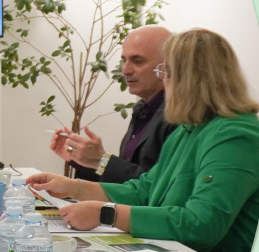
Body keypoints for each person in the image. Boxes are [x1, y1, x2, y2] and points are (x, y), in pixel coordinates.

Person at [32, 29, 259, 252]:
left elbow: (201, 225)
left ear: (188, 78)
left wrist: (106, 214)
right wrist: (74, 187)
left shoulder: (236, 135)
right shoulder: (189, 129)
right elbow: (145, 190)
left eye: (165, 72)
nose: (164, 81)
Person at [42, 25, 177, 183]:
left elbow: (158, 187)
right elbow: (123, 182)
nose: (125, 70)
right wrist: (82, 160)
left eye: (137, 61)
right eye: (124, 60)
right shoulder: (143, 110)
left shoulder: (178, 116)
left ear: (167, 66)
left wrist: (101, 160)